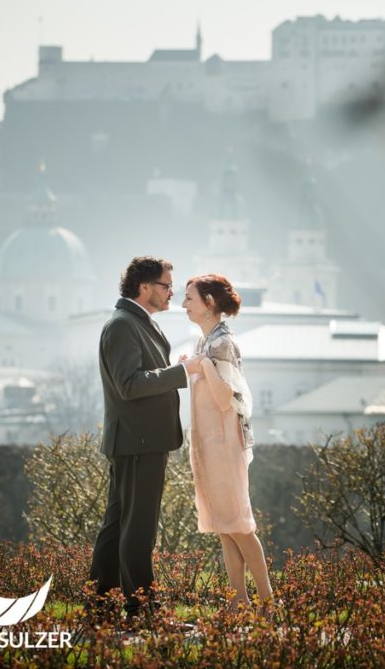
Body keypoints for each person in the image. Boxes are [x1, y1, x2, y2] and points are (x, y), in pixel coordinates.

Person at [89, 256, 204, 618]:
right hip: (139, 443)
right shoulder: (123, 325)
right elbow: (130, 385)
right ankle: (143, 610)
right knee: (138, 530)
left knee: (117, 525)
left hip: (139, 442)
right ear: (144, 287)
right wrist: (181, 372)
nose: (173, 292)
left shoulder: (136, 321)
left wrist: (173, 369)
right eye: (167, 286)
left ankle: (101, 603)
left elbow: (143, 374)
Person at [181, 274, 274, 608]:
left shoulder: (222, 345)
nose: (183, 304)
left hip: (225, 443)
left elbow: (227, 398)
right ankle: (238, 600)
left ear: (209, 302)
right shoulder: (205, 343)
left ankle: (267, 600)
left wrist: (201, 366)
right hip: (209, 441)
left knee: (239, 524)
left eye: (189, 298)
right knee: (224, 525)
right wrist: (194, 366)